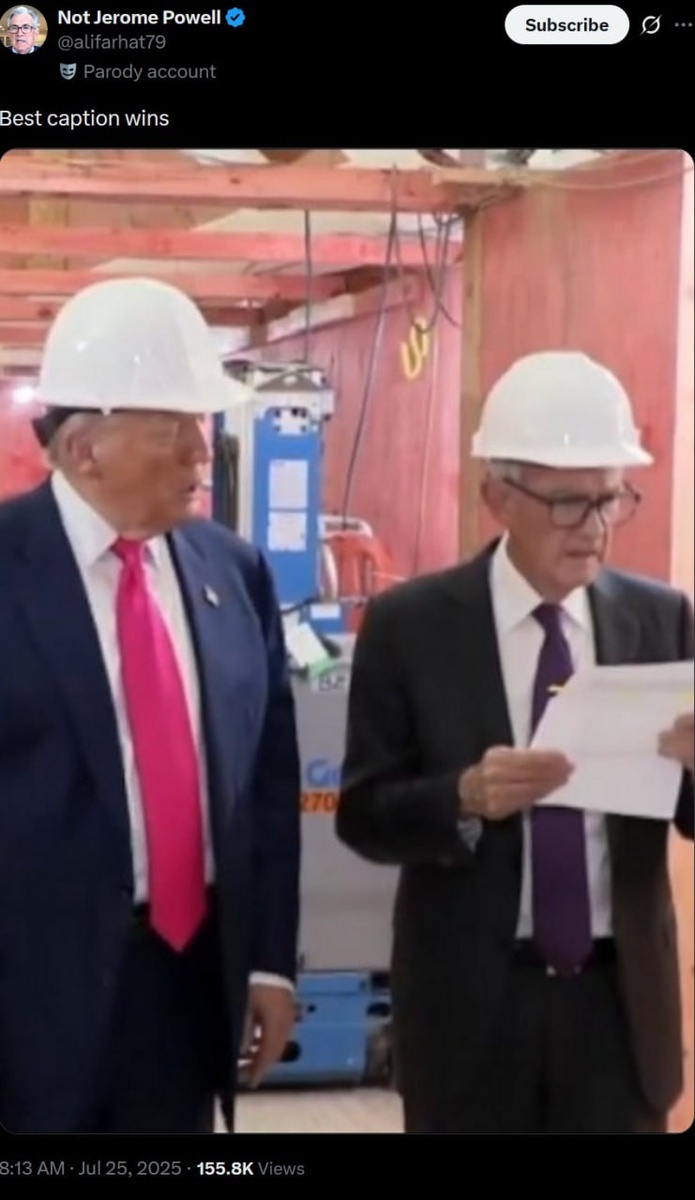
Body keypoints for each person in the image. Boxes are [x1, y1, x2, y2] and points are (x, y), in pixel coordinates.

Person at [336, 350, 694, 1135]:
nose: (593, 528)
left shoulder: (658, 617)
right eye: (567, 503)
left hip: (617, 1010)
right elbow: (362, 815)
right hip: (471, 1010)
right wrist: (461, 797)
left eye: (610, 499)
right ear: (496, 497)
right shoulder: (411, 627)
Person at [0, 277, 302, 1135]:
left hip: (184, 991)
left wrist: (269, 964)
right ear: (84, 448)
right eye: (172, 431)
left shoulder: (233, 573)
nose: (201, 453)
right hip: (27, 1004)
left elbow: (267, 786)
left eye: (199, 427)